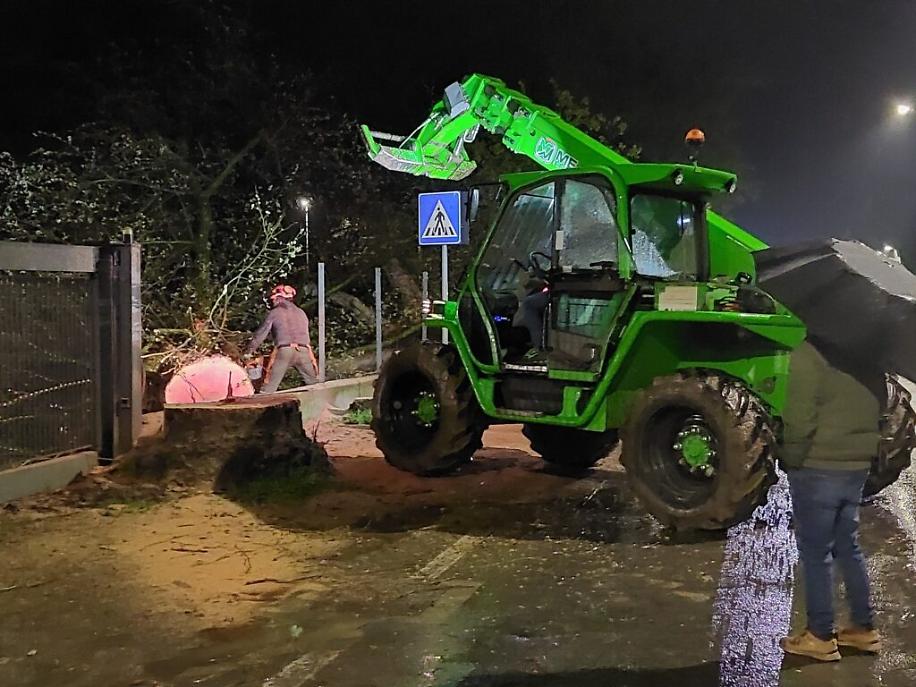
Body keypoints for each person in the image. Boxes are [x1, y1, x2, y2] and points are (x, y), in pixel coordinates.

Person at [779, 339, 884, 661]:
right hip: (856, 465)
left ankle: (820, 636)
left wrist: (790, 459)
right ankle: (864, 630)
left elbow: (798, 416)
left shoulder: (807, 354)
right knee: (847, 546)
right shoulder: (869, 354)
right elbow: (881, 406)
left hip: (818, 466)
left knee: (815, 553)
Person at [246, 284, 318, 393]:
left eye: (274, 299)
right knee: (314, 386)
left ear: (278, 298)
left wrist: (248, 351)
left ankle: (264, 406)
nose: (273, 302)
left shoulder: (275, 313)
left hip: (284, 351)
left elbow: (261, 334)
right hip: (304, 351)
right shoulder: (302, 313)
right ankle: (323, 405)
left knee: (268, 388)